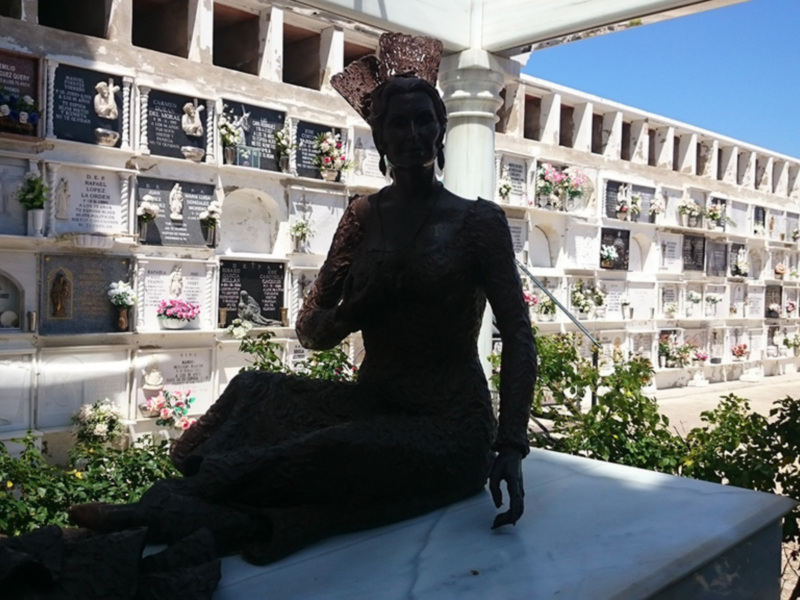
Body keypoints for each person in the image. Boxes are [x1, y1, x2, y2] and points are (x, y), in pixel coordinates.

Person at [69, 33, 536, 567]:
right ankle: (169, 507)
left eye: (423, 120)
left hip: (451, 427)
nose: (412, 135)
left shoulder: (479, 223)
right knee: (256, 392)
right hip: (372, 405)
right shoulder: (362, 218)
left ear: (441, 127)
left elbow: (518, 336)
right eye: (397, 123)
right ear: (378, 136)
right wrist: (357, 309)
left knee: (326, 452)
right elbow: (310, 333)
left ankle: (148, 516)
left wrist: (511, 446)